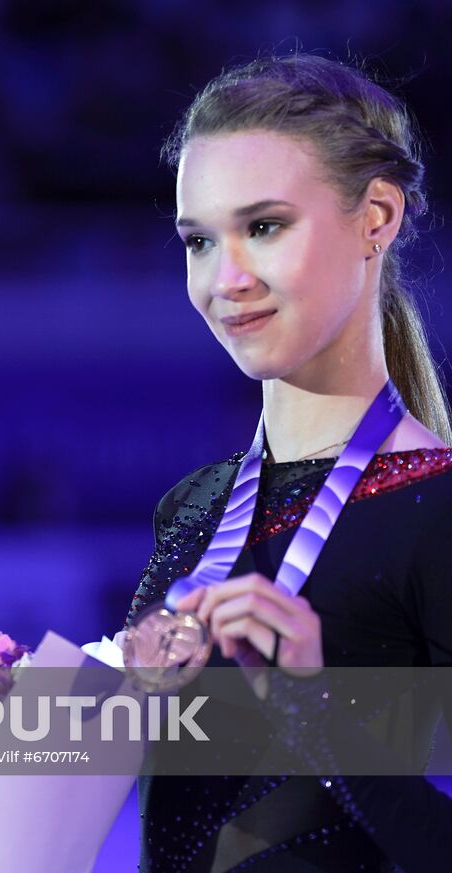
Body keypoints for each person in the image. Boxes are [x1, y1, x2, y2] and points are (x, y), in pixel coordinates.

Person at [127, 54, 452, 872]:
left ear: (375, 215)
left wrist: (316, 709)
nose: (224, 280)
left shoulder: (439, 509)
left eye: (264, 227)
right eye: (199, 241)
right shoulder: (192, 509)